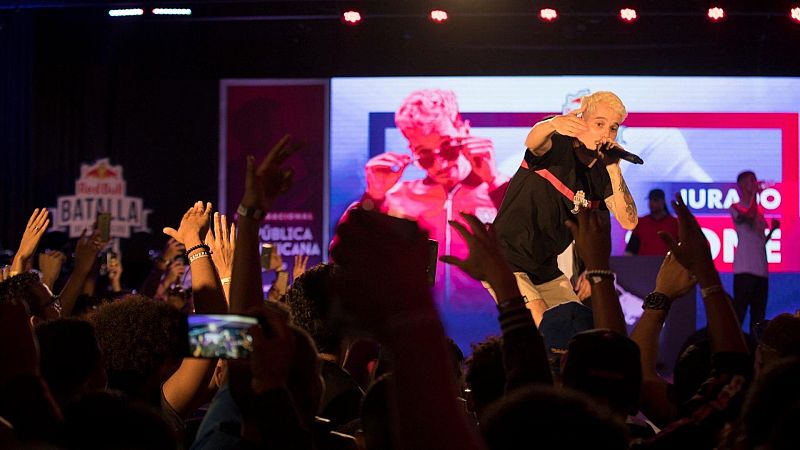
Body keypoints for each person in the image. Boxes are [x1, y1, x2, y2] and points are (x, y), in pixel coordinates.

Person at [492, 91, 638, 323]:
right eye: (599, 123)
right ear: (581, 121)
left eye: (613, 127)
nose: (606, 133)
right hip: (505, 256)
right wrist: (552, 124)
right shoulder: (556, 143)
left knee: (575, 327)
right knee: (541, 320)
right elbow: (532, 142)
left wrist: (613, 168)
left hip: (545, 267)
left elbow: (628, 221)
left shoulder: (602, 172)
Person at [358, 89, 509, 311]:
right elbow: (349, 257)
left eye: (448, 148)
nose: (440, 165)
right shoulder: (397, 199)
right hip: (420, 326)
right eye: (425, 156)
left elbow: (533, 244)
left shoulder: (502, 188)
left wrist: (495, 184)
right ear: (411, 151)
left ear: (464, 130)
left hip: (494, 323)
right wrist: (372, 199)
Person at [729, 171, 779, 334]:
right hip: (744, 269)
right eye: (751, 181)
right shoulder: (736, 206)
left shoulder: (759, 213)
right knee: (740, 313)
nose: (755, 183)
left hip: (761, 271)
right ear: (742, 184)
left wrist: (773, 231)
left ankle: (756, 353)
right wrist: (755, 195)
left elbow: (760, 242)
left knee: (758, 317)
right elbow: (748, 215)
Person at [625, 189, 679, 256]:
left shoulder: (674, 223)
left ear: (663, 202)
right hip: (644, 264)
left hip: (668, 265)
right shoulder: (641, 223)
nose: (651, 203)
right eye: (650, 200)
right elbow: (630, 251)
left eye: (655, 200)